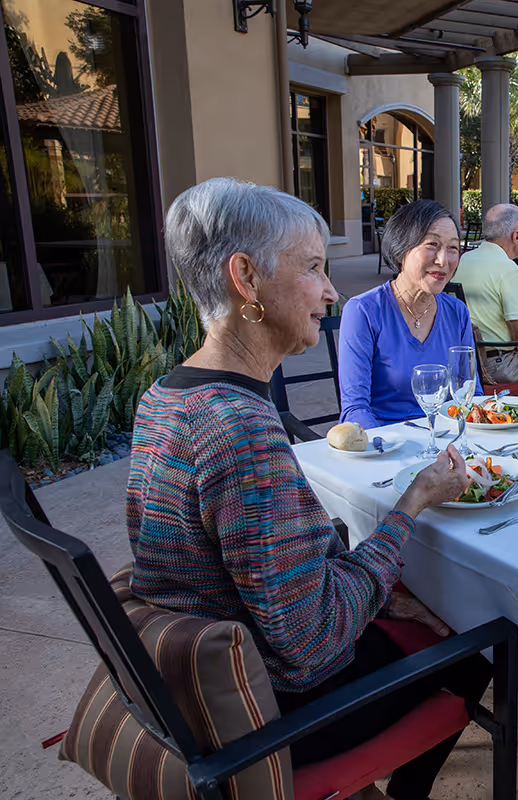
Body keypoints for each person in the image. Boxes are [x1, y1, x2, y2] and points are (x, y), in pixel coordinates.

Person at [130, 177, 488, 800]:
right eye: (313, 268)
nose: (329, 290)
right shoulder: (237, 428)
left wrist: (383, 594)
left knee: (419, 603)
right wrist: (409, 507)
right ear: (245, 277)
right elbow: (312, 640)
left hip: (201, 683)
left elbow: (272, 573)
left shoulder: (167, 396)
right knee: (483, 640)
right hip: (269, 717)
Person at [339, 200, 480, 427]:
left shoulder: (457, 312)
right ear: (402, 247)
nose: (443, 260)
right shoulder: (363, 311)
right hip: (388, 444)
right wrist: (386, 450)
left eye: (453, 248)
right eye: (432, 244)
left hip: (447, 441)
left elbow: (471, 394)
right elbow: (355, 409)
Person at [455, 203, 518, 383]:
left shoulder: (463, 260)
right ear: (516, 235)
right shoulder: (508, 269)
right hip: (498, 366)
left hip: (464, 362)